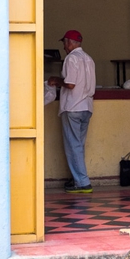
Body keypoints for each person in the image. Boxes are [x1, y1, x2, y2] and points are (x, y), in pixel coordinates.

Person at [48, 29, 96, 194]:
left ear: (69, 42)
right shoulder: (89, 59)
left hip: (73, 107)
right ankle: (78, 178)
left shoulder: (71, 59)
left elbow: (70, 84)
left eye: (64, 43)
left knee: (73, 145)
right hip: (87, 107)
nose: (63, 46)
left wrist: (55, 80)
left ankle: (82, 182)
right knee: (79, 145)